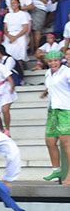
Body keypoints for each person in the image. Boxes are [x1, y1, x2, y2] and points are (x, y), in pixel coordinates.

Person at [41, 51, 70, 185]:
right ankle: (56, 169)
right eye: (50, 61)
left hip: (65, 110)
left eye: (55, 60)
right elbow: (52, 86)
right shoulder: (48, 73)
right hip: (52, 109)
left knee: (66, 144)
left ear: (60, 60)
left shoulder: (66, 72)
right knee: (50, 141)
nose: (53, 63)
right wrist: (45, 92)